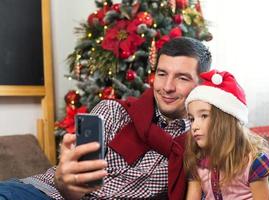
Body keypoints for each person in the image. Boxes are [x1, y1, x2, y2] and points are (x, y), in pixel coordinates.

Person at [0, 37, 212, 200]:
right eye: (162, 74)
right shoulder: (113, 112)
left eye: (182, 78)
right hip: (41, 192)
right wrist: (65, 180)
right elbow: (70, 181)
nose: (167, 87)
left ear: (202, 85)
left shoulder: (199, 141)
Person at [184, 69, 269, 200]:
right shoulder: (198, 161)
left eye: (204, 116)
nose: (194, 126)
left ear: (225, 120)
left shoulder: (252, 162)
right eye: (192, 119)